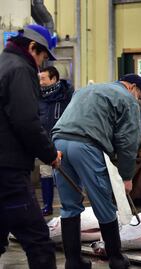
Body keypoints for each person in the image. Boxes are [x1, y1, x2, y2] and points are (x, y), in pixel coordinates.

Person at [51, 74, 141, 269]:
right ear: (132, 87)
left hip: (59, 143)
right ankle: (116, 259)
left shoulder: (86, 90)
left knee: (69, 206)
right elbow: (128, 141)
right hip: (86, 146)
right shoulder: (127, 99)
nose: (139, 101)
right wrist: (127, 177)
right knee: (103, 202)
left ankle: (73, 261)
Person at [0, 24, 61, 268]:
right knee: (38, 242)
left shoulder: (3, 63)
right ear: (33, 47)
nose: (42, 64)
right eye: (43, 56)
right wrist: (49, 154)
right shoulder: (20, 69)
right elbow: (26, 120)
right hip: (9, 171)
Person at [38, 66, 74, 216]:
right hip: (44, 141)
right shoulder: (38, 96)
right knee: (45, 173)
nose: (40, 82)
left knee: (64, 174)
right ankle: (47, 206)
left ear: (54, 79)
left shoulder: (68, 95)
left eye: (43, 78)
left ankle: (70, 206)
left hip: (63, 140)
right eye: (39, 78)